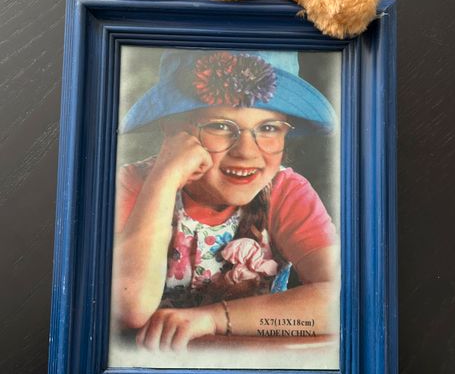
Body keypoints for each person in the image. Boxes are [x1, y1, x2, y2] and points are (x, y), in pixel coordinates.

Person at [112, 50, 340, 352]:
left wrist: (213, 319)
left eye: (269, 128)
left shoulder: (286, 192)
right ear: (172, 128)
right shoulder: (130, 185)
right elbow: (130, 307)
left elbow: (344, 301)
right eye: (219, 126)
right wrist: (163, 179)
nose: (246, 151)